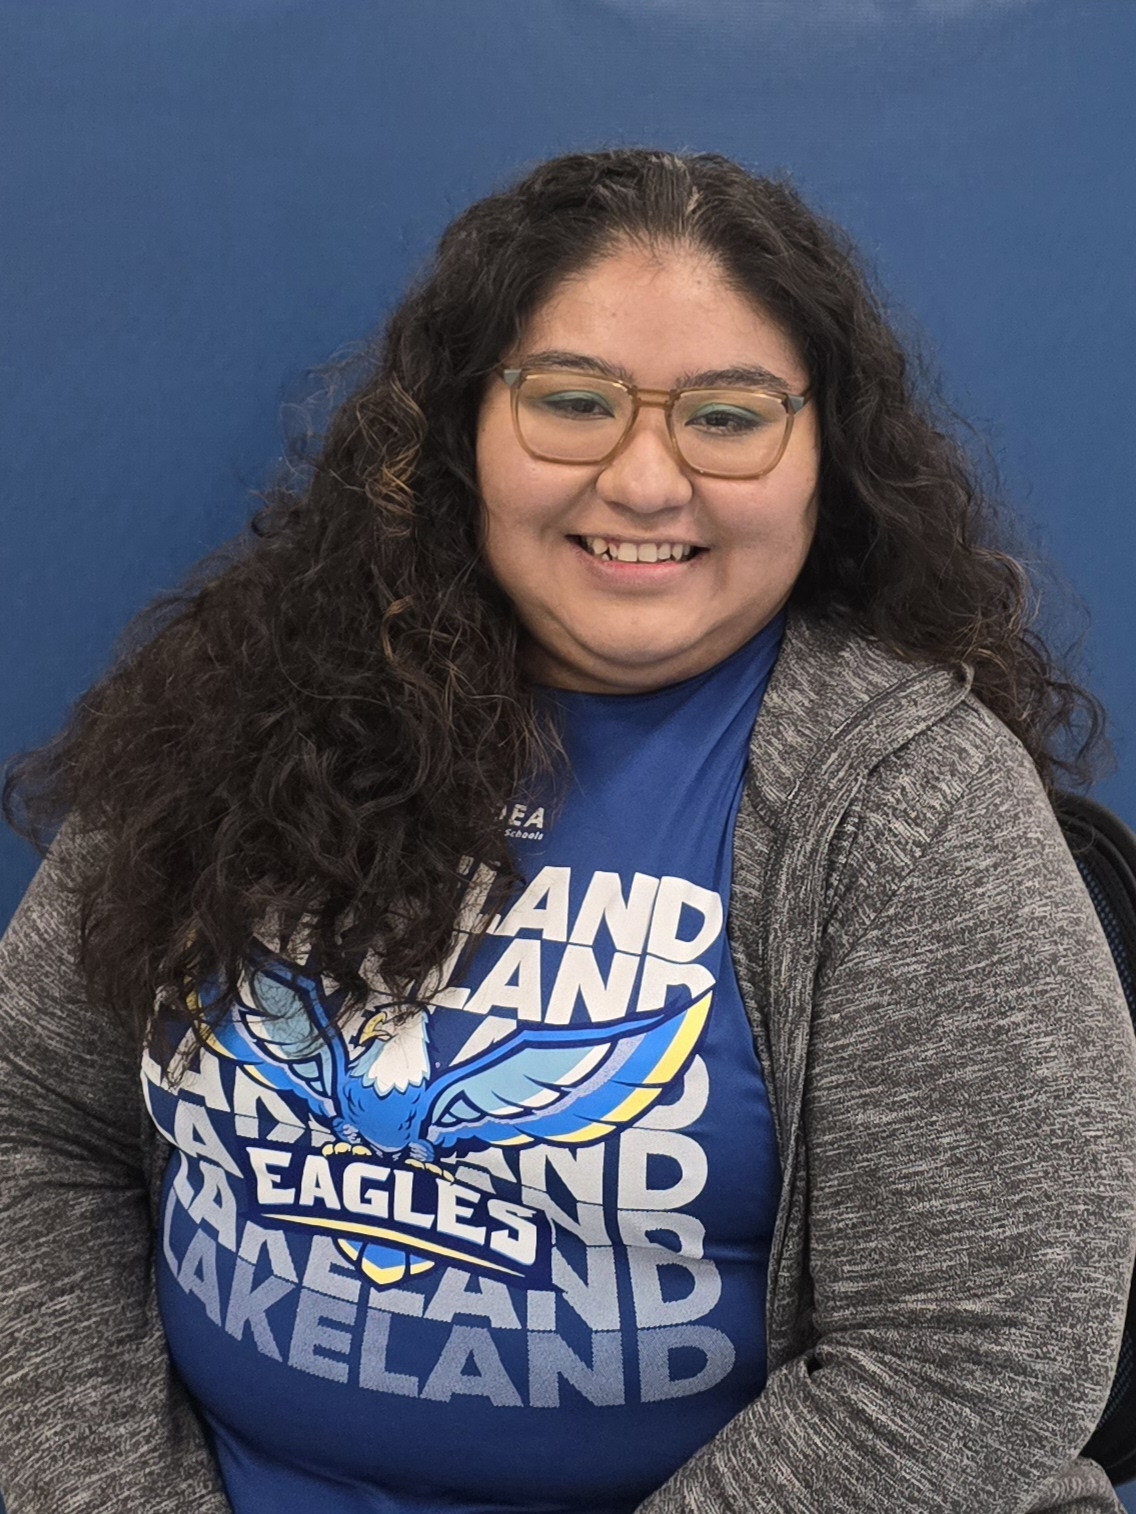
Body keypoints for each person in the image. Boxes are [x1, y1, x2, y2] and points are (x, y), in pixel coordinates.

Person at [1, 148, 1134, 1514]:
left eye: (728, 418)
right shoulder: (247, 710)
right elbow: (32, 1122)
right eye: (575, 402)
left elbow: (975, 1362)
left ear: (823, 461)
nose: (646, 480)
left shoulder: (910, 806)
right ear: (461, 431)